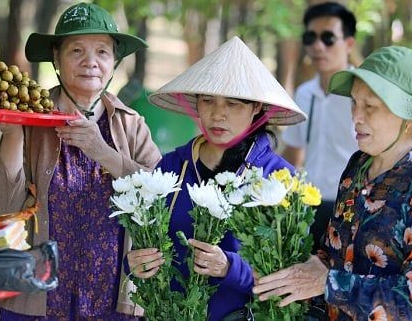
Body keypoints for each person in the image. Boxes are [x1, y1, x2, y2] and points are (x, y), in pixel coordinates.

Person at [0, 2, 162, 319]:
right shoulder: (28, 118)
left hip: (110, 295)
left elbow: (161, 196)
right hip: (36, 295)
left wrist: (103, 152)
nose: (91, 62)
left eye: (102, 52)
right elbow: (5, 210)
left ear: (114, 62)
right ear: (57, 59)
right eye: (76, 51)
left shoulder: (130, 125)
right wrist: (13, 134)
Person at [253, 46, 412, 320]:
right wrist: (291, 270)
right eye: (354, 103)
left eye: (370, 106)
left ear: (408, 117)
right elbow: (332, 254)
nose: (356, 116)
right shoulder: (358, 165)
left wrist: (329, 284)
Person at [127, 37, 307, 321]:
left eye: (233, 104)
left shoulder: (278, 178)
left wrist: (229, 268)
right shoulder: (172, 166)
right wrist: (136, 264)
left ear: (257, 108)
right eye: (208, 100)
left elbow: (290, 280)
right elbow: (145, 247)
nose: (217, 114)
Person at [281, 1, 359, 250]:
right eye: (310, 37)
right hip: (309, 208)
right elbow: (292, 153)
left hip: (352, 208)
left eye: (328, 38)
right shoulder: (304, 94)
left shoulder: (363, 95)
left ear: (349, 43)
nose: (317, 46)